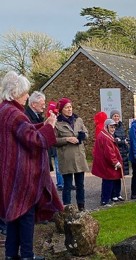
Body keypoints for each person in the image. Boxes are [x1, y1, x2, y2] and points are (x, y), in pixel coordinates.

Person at [0, 71, 63, 260]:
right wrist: (50, 126)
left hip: (10, 171)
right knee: (25, 214)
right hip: (22, 175)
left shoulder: (4, 110)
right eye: (25, 92)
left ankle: (11, 255)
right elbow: (35, 140)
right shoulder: (14, 114)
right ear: (16, 92)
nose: (27, 96)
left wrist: (43, 124)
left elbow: (24, 132)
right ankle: (27, 255)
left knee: (13, 215)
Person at [55, 97, 89, 211]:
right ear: (61, 109)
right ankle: (67, 208)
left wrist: (82, 136)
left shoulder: (78, 120)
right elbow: (53, 140)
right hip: (67, 157)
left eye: (70, 107)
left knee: (80, 185)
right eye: (66, 107)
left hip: (79, 156)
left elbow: (86, 133)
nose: (69, 109)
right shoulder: (57, 123)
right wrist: (67, 139)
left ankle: (81, 207)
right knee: (67, 185)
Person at [25, 92, 64, 191]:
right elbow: (35, 136)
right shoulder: (26, 116)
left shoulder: (37, 116)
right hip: (34, 158)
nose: (44, 107)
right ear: (33, 104)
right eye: (42, 104)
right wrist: (49, 125)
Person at [92, 119, 123, 206]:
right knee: (108, 182)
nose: (113, 129)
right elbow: (109, 153)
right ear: (106, 127)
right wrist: (116, 162)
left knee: (108, 181)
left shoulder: (105, 135)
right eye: (111, 127)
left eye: (114, 127)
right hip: (106, 164)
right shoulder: (105, 137)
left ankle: (107, 199)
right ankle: (105, 200)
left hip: (105, 163)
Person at [110, 110, 129, 202]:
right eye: (114, 116)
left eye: (118, 116)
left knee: (120, 175)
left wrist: (124, 141)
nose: (116, 118)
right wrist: (122, 141)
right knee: (115, 175)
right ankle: (113, 194)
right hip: (116, 152)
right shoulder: (111, 127)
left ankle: (118, 193)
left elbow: (124, 137)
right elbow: (113, 140)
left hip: (123, 153)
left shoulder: (121, 126)